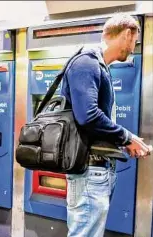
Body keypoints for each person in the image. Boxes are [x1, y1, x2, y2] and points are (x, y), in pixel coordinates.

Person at [61, 13, 152, 237]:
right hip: (89, 172)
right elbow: (88, 115)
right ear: (127, 34)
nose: (133, 48)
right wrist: (126, 137)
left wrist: (122, 142)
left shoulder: (99, 66)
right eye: (135, 42)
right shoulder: (86, 63)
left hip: (97, 172)